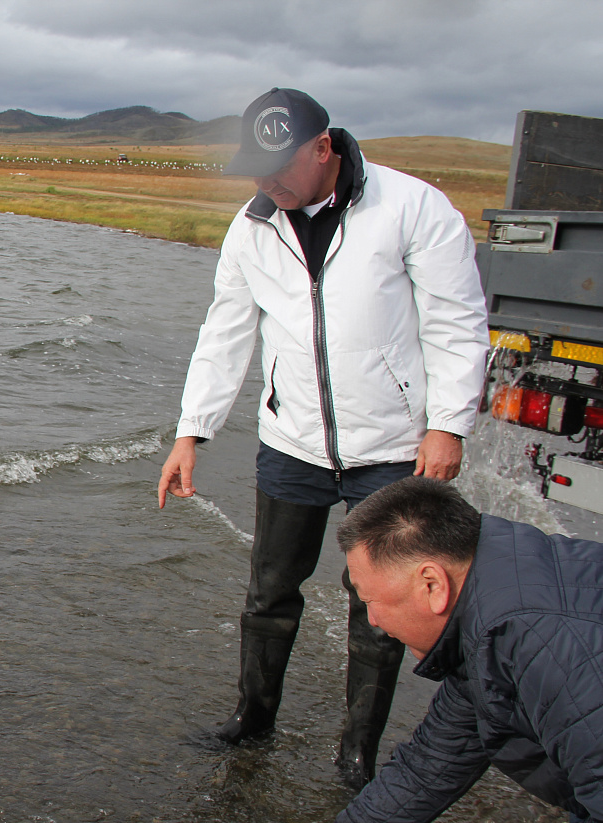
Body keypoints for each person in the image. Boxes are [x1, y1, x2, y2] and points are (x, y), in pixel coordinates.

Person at [156, 87, 489, 787]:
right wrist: (192, 432)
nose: (266, 183)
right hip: (292, 444)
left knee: (379, 607)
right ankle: (253, 719)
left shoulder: (411, 208)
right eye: (255, 169)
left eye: (279, 167)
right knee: (269, 590)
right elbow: (225, 332)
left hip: (394, 448)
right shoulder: (252, 226)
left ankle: (358, 753)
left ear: (323, 148)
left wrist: (447, 425)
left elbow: (456, 322)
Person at [260, 476, 603, 823]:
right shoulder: (493, 592)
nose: (372, 621)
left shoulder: (544, 643)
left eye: (374, 601)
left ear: (431, 585)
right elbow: (442, 749)